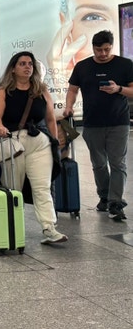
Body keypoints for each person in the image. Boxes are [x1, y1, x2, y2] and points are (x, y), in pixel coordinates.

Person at [0, 51, 67, 244]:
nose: (27, 67)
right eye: (22, 64)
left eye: (30, 64)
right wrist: (0, 127)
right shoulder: (4, 90)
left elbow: (50, 118)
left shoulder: (41, 90)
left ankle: (49, 227)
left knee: (42, 187)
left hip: (39, 142)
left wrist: (55, 141)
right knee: (13, 188)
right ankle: (13, 229)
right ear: (13, 68)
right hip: (12, 142)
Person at [63, 30, 133, 221]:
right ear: (92, 48)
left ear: (112, 46)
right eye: (98, 50)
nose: (102, 54)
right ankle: (104, 196)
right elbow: (72, 89)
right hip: (92, 123)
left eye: (106, 50)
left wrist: (118, 89)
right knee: (99, 164)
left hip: (118, 122)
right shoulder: (83, 66)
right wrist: (68, 106)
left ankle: (115, 203)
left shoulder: (124, 65)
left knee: (118, 162)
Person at [45, 0, 119, 92]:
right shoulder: (80, 70)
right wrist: (62, 90)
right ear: (67, 29)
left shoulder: (126, 65)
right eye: (93, 17)